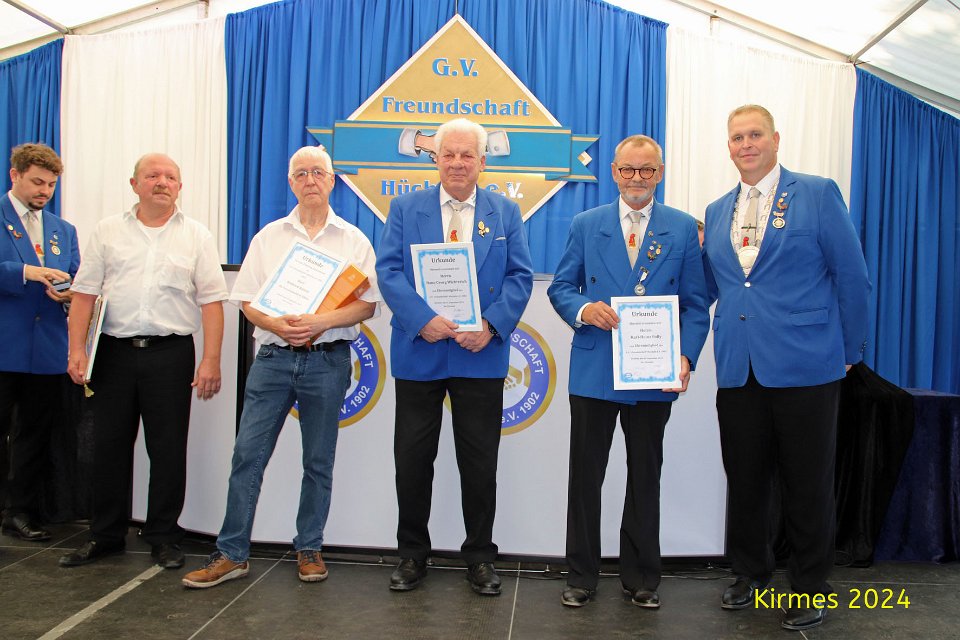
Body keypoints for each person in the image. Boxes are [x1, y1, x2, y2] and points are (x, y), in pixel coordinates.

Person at [701, 105, 869, 631]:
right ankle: (749, 573)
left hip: (807, 364)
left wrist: (851, 349)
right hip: (739, 366)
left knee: (807, 482)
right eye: (737, 138)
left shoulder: (817, 194)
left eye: (755, 135)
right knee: (745, 478)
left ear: (776, 139)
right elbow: (712, 288)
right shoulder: (716, 211)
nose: (746, 144)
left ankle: (811, 586)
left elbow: (852, 275)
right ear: (728, 147)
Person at [182, 146, 379, 589]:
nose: (310, 180)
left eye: (318, 173)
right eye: (301, 173)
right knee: (247, 457)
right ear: (291, 183)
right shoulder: (268, 237)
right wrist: (275, 324)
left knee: (318, 461)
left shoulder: (353, 240)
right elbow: (246, 301)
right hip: (272, 361)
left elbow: (367, 305)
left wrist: (320, 322)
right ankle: (232, 553)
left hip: (327, 360)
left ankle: (309, 547)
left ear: (332, 181)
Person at [547, 135, 709, 608]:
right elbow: (561, 287)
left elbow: (695, 305)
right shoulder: (586, 223)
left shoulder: (682, 228)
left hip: (652, 372)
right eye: (628, 170)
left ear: (660, 172)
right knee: (585, 478)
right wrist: (584, 309)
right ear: (614, 172)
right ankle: (581, 575)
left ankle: (641, 578)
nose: (637, 178)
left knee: (645, 476)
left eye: (647, 170)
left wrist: (686, 356)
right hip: (595, 368)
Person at [376, 117, 533, 596]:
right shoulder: (405, 208)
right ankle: (411, 554)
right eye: (449, 154)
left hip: (479, 354)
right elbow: (389, 270)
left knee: (480, 463)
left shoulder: (506, 211)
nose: (458, 163)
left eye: (468, 155)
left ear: (483, 162)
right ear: (436, 159)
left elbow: (520, 276)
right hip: (420, 349)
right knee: (412, 460)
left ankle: (480, 557)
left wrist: (490, 325)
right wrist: (421, 319)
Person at [61, 153, 227, 570]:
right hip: (112, 353)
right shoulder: (107, 231)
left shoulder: (197, 236)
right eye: (152, 175)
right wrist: (77, 350)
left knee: (167, 449)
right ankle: (105, 535)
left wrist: (211, 360)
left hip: (171, 355)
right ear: (134, 184)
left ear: (180, 187)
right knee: (108, 447)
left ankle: (163, 536)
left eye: (170, 177)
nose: (162, 182)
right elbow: (84, 294)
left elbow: (211, 302)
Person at [0, 143, 79, 541]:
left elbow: (78, 278)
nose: (44, 191)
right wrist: (25, 272)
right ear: (14, 175)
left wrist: (70, 293)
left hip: (46, 349)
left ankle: (20, 512)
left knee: (33, 436)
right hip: (5, 345)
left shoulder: (64, 230)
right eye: (37, 182)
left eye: (50, 185)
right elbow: (21, 271)